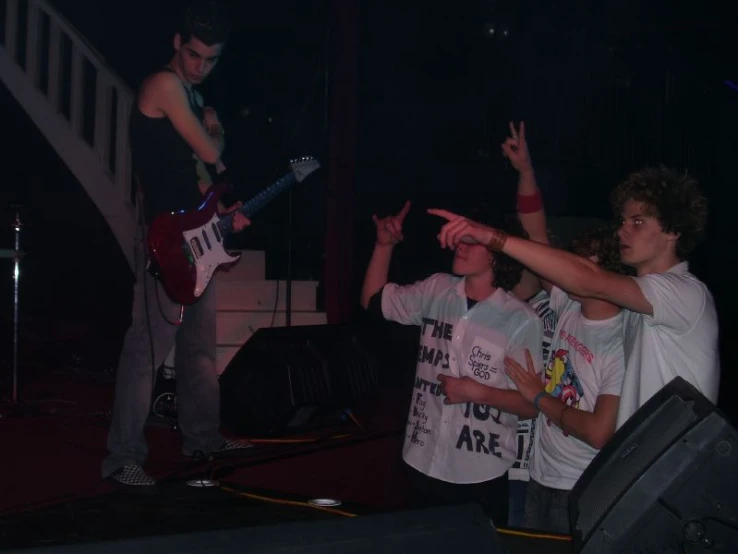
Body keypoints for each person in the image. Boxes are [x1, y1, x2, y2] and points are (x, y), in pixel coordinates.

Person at [428, 165, 719, 429]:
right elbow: (538, 242)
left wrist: (492, 238)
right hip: (642, 467)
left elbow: (589, 281)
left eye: (638, 222)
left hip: (677, 471)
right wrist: (527, 173)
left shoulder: (686, 293)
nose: (621, 231)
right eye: (623, 221)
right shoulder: (636, 306)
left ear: (674, 231)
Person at [103, 1, 251, 492]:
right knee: (146, 350)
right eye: (193, 54)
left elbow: (200, 174)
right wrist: (215, 127)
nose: (199, 66)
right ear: (176, 43)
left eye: (210, 59)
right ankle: (121, 458)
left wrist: (220, 213)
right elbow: (212, 153)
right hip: (164, 236)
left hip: (195, 234)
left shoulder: (187, 92)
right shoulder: (165, 85)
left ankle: (203, 437)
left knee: (198, 348)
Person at [360, 200, 542, 524]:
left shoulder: (520, 320)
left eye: (471, 239)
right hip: (421, 459)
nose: (460, 244)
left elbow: (531, 405)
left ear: (496, 253)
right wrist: (383, 246)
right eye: (460, 237)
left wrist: (478, 392)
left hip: (480, 471)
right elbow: (373, 302)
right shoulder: (437, 290)